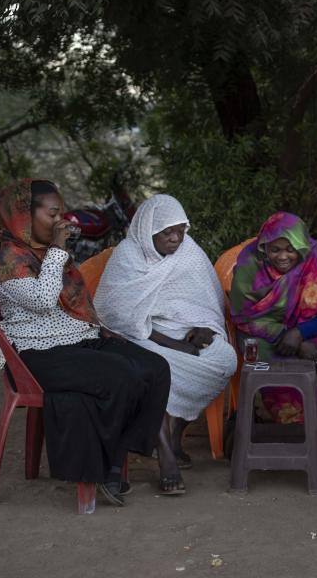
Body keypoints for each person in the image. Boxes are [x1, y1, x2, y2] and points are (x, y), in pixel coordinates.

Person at [0, 179, 171, 506]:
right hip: (38, 354)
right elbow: (45, 300)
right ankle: (110, 467)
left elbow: (73, 302)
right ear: (23, 216)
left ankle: (120, 451)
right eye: (53, 214)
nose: (62, 222)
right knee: (120, 376)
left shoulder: (43, 252)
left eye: (62, 213)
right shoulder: (10, 261)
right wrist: (59, 250)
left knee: (155, 368)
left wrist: (96, 327)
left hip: (78, 339)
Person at [94, 195, 237, 478]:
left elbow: (207, 301)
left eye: (181, 231)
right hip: (138, 336)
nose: (175, 239)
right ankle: (165, 451)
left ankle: (175, 435)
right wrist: (174, 345)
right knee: (155, 368)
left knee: (224, 358)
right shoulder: (128, 255)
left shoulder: (188, 251)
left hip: (184, 331)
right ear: (148, 230)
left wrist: (204, 329)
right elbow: (117, 315)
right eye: (167, 232)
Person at [229, 212, 317, 423]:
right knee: (258, 352)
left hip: (311, 329)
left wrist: (300, 333)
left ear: (302, 245)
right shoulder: (250, 265)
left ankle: (314, 414)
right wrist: (289, 337)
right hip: (263, 333)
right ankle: (287, 416)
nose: (283, 256)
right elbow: (243, 318)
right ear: (263, 247)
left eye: (290, 249)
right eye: (275, 250)